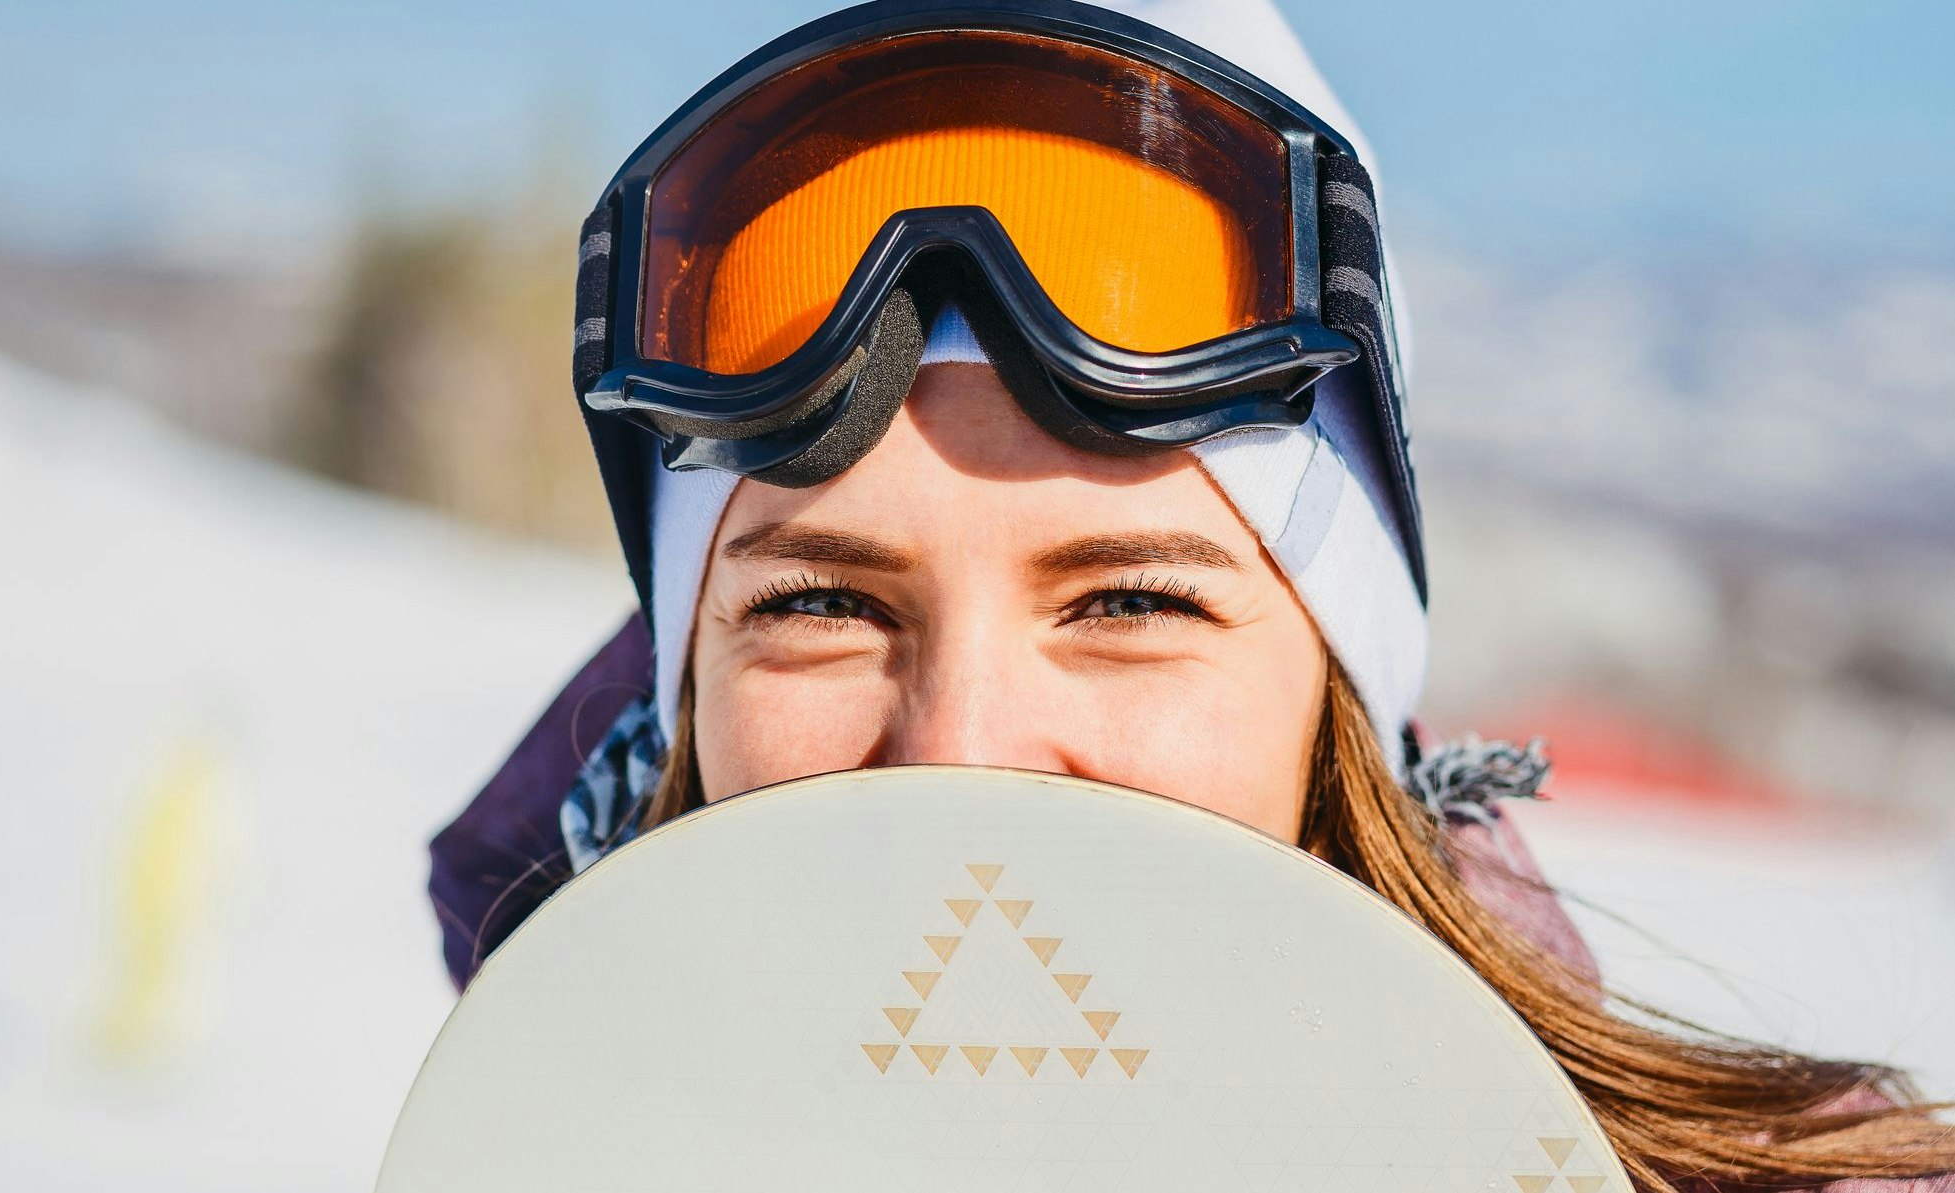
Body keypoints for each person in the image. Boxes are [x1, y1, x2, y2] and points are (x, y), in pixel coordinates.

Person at [428, 1, 1955, 1187]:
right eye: (822, 603)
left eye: (1125, 603)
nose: (963, 749)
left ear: (1332, 691)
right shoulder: (538, 1138)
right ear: (683, 679)